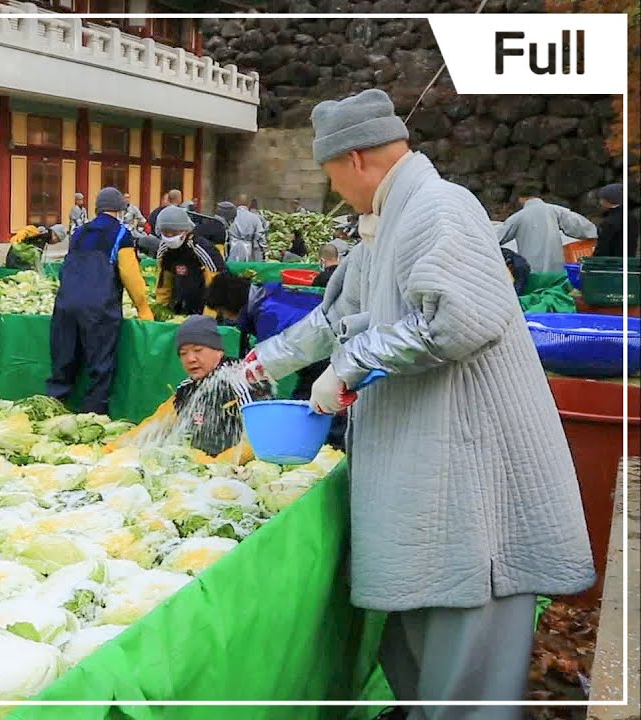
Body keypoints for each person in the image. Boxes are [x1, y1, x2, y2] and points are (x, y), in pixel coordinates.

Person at [247, 88, 594, 716]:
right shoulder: (382, 229)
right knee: (420, 637)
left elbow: (460, 321)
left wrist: (350, 368)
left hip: (471, 468)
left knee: (468, 641)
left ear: (353, 159)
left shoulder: (439, 208)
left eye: (330, 175)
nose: (334, 190)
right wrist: (256, 367)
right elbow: (333, 320)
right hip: (426, 466)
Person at [47, 187, 154, 415]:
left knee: (64, 360)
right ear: (120, 210)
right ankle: (91, 416)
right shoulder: (120, 234)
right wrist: (143, 308)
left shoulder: (79, 233)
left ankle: (52, 409)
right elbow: (130, 275)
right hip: (98, 308)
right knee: (99, 366)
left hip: (66, 304)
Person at [107, 316, 264, 462]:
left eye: (198, 350)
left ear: (218, 351)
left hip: (235, 471)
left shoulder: (241, 379)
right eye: (183, 353)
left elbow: (258, 437)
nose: (190, 359)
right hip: (199, 464)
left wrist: (218, 464)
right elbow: (157, 424)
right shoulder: (187, 388)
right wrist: (112, 449)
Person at [496, 186, 597, 273]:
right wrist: (595, 233)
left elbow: (497, 237)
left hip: (531, 269)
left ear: (521, 199)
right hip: (556, 267)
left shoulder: (518, 217)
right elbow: (579, 225)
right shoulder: (555, 210)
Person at [154, 205, 225, 317]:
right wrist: (160, 309)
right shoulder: (165, 249)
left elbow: (216, 284)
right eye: (165, 233)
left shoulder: (201, 248)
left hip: (207, 305)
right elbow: (164, 283)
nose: (170, 237)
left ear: (185, 230)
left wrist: (208, 317)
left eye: (174, 233)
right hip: (182, 306)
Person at [227, 194, 268, 261]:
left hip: (233, 246)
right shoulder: (255, 218)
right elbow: (260, 235)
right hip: (248, 249)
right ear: (249, 204)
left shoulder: (230, 216)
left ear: (236, 203)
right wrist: (265, 250)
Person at [592, 183, 626, 257]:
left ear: (605, 201)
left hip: (611, 265)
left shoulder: (608, 223)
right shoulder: (632, 218)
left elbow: (602, 249)